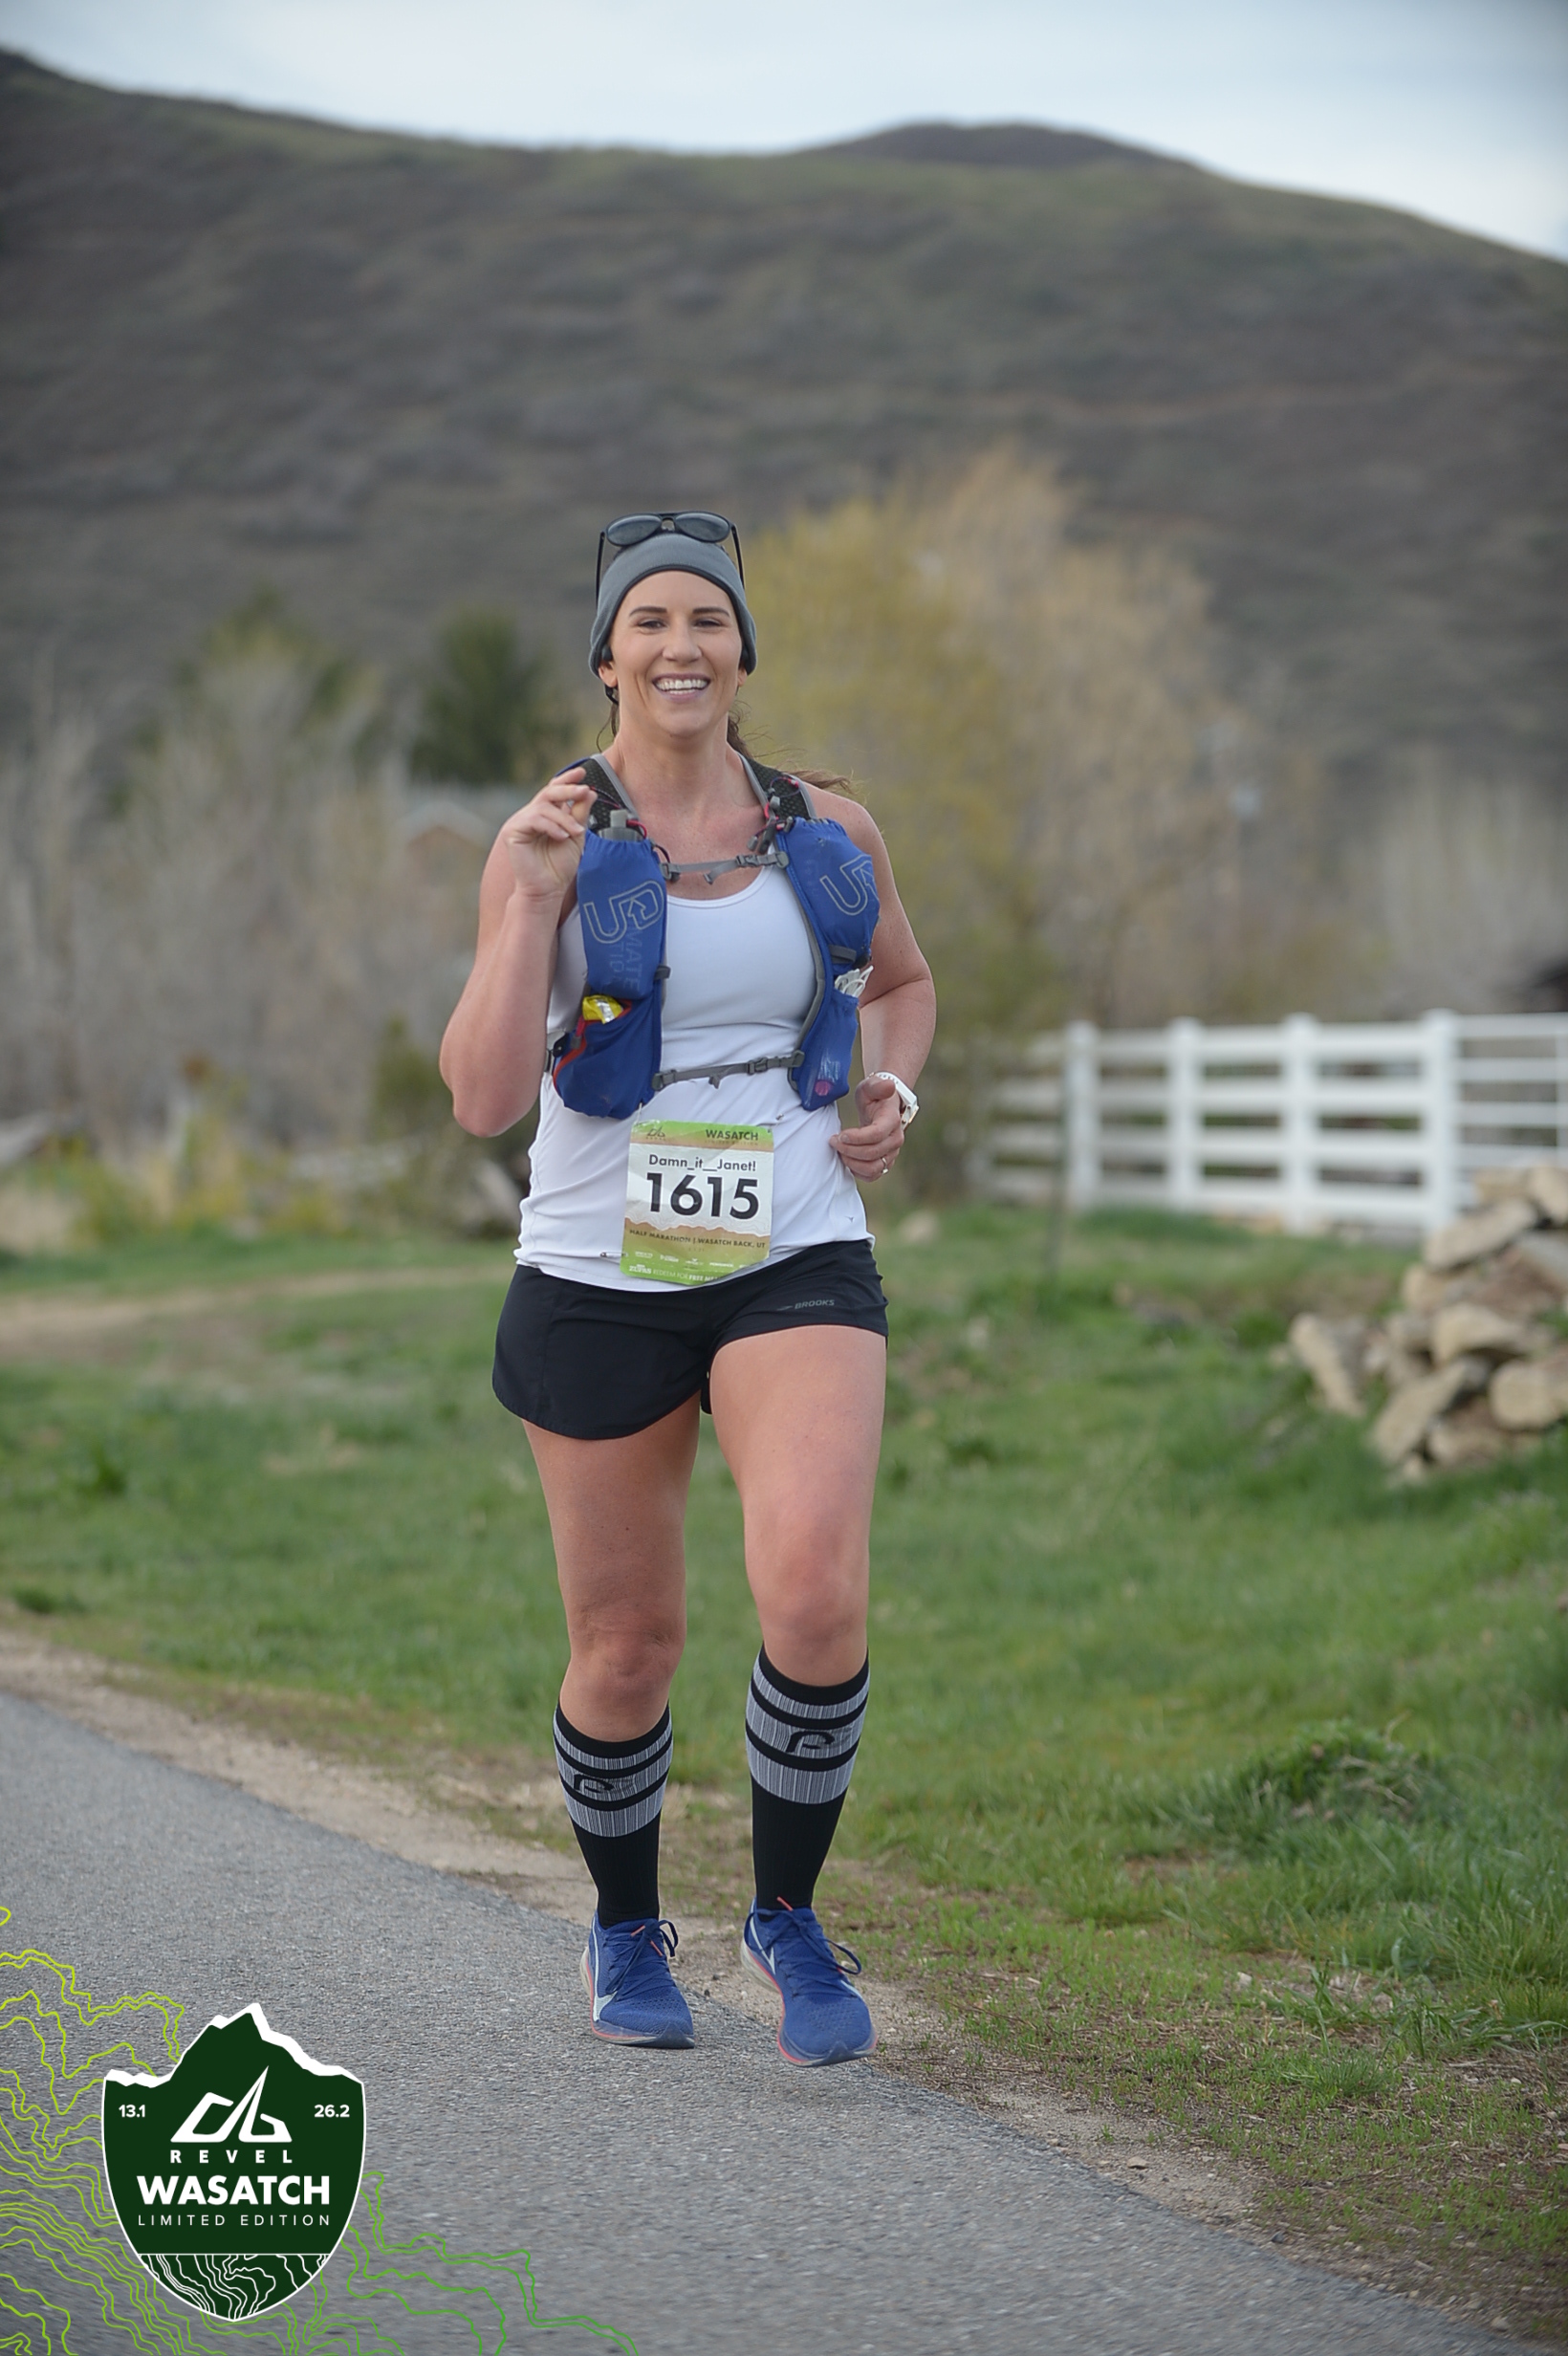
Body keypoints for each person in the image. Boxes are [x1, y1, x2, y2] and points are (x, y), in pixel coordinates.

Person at [441, 511, 935, 2065]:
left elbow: (903, 984)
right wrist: (530, 904)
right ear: (606, 659)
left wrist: (892, 1092)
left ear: (742, 651)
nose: (680, 646)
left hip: (794, 1244)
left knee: (816, 1590)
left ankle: (786, 1915)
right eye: (648, 621)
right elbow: (480, 1097)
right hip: (601, 1267)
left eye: (707, 620)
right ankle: (623, 1925)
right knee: (626, 1645)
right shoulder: (543, 840)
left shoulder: (829, 829)